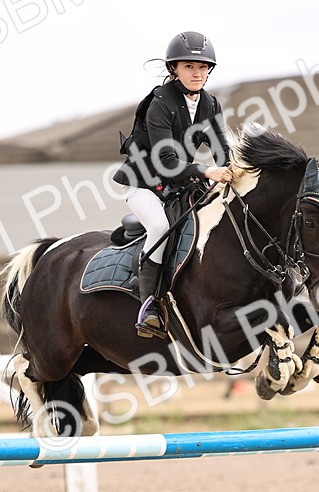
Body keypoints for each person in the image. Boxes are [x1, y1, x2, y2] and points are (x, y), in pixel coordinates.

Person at [114, 31, 234, 338]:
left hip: (180, 185)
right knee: (159, 226)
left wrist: (233, 170)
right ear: (174, 70)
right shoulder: (160, 103)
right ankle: (150, 306)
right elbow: (166, 160)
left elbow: (223, 150)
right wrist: (208, 173)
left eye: (202, 67)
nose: (197, 73)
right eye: (189, 67)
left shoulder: (209, 104)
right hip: (144, 183)